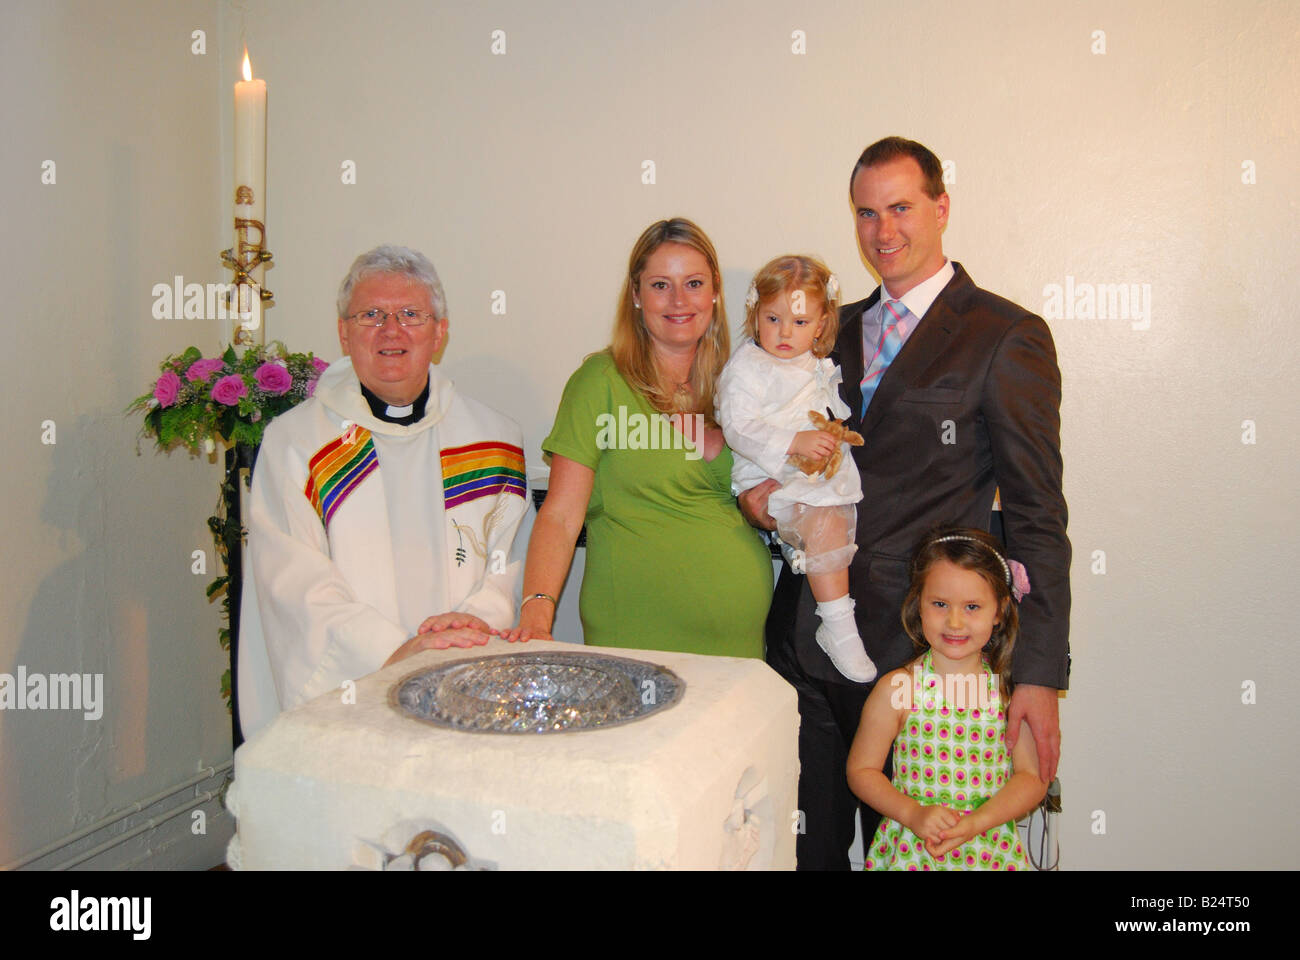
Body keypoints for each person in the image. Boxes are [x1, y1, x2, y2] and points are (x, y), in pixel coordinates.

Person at [743, 137, 1071, 869]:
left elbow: (1036, 512)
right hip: (804, 639)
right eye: (866, 212)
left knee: (921, 856)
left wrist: (1040, 674)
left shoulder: (1004, 335)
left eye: (900, 208)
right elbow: (775, 445)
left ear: (941, 207)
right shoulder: (824, 330)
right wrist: (757, 494)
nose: (882, 231)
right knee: (805, 853)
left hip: (921, 662)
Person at [237, 245, 528, 740]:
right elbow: (293, 582)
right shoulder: (298, 444)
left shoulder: (495, 439)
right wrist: (392, 653)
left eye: (411, 315)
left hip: (465, 679)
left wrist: (470, 627)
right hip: (351, 700)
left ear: (440, 331)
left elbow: (512, 560)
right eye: (371, 314)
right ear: (343, 331)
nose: (391, 330)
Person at [508, 218, 773, 657]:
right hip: (635, 634)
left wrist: (770, 510)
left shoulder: (741, 384)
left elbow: (759, 497)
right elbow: (559, 514)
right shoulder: (601, 381)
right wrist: (536, 613)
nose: (679, 300)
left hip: (739, 648)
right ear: (635, 295)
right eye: (659, 285)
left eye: (693, 283)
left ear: (715, 292)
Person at [847, 527, 1046, 870]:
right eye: (940, 604)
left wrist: (977, 822)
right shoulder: (898, 689)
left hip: (990, 851)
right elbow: (862, 770)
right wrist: (912, 813)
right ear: (918, 605)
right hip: (913, 851)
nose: (954, 622)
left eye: (972, 606)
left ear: (998, 612)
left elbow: (1031, 778)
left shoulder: (1009, 692)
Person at [716, 255, 874, 682]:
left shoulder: (813, 363)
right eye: (774, 318)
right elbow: (737, 426)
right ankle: (839, 625)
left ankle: (816, 582)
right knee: (824, 520)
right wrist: (793, 442)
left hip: (814, 471)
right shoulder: (747, 366)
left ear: (822, 325)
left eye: (801, 323)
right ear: (755, 314)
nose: (786, 333)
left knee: (833, 522)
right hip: (769, 474)